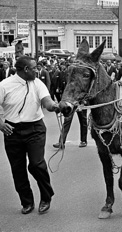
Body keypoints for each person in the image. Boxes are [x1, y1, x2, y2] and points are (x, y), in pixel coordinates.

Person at [0, 55, 60, 214]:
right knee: (17, 169)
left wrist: (55, 106)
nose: (37, 70)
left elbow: (47, 101)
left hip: (35, 128)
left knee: (36, 164)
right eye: (34, 68)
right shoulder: (4, 85)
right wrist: (1, 124)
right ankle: (26, 202)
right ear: (26, 69)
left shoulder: (38, 83)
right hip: (12, 130)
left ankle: (46, 197)